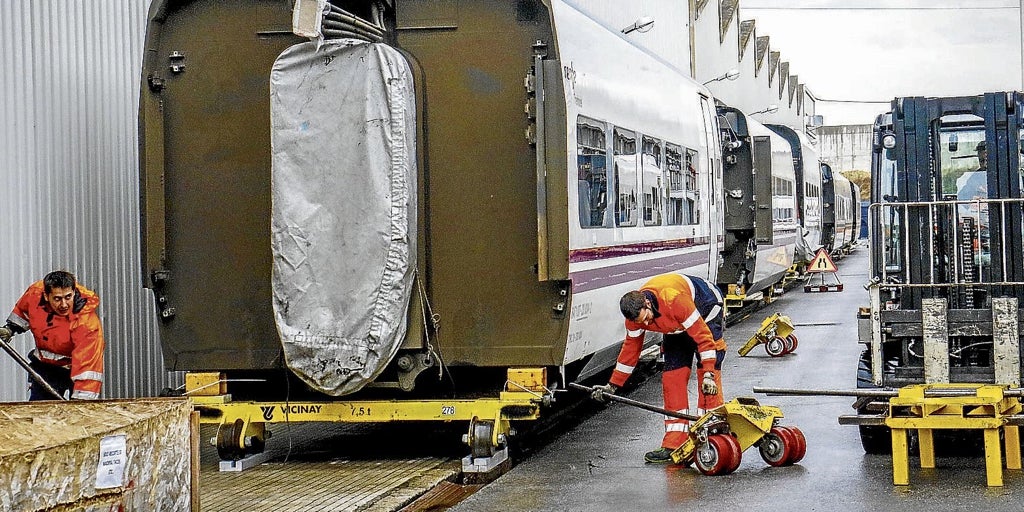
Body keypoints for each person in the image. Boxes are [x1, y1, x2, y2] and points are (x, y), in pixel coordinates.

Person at [591, 273, 727, 464]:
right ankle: (674, 443)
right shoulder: (635, 318)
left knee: (707, 379)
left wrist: (709, 374)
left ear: (647, 303)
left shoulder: (673, 300)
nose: (646, 324)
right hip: (675, 325)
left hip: (706, 308)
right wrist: (612, 386)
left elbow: (704, 339)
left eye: (646, 318)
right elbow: (630, 351)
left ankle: (714, 434)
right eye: (641, 322)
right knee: (672, 379)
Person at [0, 271, 104, 400]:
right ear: (46, 296)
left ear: (74, 291)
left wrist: (81, 404)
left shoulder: (86, 324)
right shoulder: (35, 295)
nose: (64, 305)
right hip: (45, 367)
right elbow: (24, 312)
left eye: (68, 297)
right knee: (41, 413)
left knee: (78, 413)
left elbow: (87, 369)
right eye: (57, 299)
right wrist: (10, 329)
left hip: (74, 369)